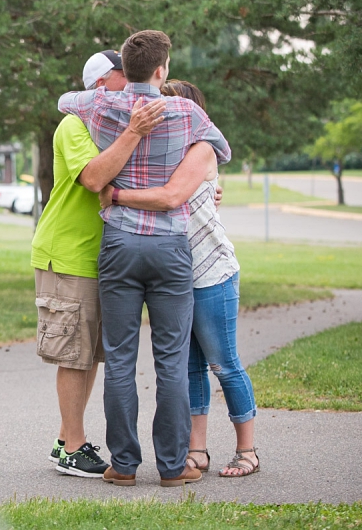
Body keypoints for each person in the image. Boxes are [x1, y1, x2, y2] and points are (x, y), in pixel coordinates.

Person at [59, 30, 231, 487]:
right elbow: (221, 150)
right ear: (162, 70)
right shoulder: (186, 110)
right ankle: (173, 468)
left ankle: (124, 465)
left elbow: (63, 99)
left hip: (118, 243)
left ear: (127, 70)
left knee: (118, 358)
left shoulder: (98, 105)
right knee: (171, 359)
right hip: (171, 246)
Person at [99, 79, 258, 478]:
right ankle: (196, 450)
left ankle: (247, 450)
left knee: (223, 362)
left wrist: (115, 196)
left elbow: (170, 197)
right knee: (188, 367)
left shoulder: (200, 151)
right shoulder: (164, 155)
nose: (162, 115)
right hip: (176, 272)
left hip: (209, 270)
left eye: (170, 109)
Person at [32, 50, 166, 479]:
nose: (130, 82)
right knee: (75, 354)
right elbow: (95, 179)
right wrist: (132, 134)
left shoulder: (110, 127)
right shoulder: (75, 126)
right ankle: (73, 447)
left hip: (102, 255)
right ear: (98, 84)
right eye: (121, 75)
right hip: (69, 253)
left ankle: (65, 438)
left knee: (89, 352)